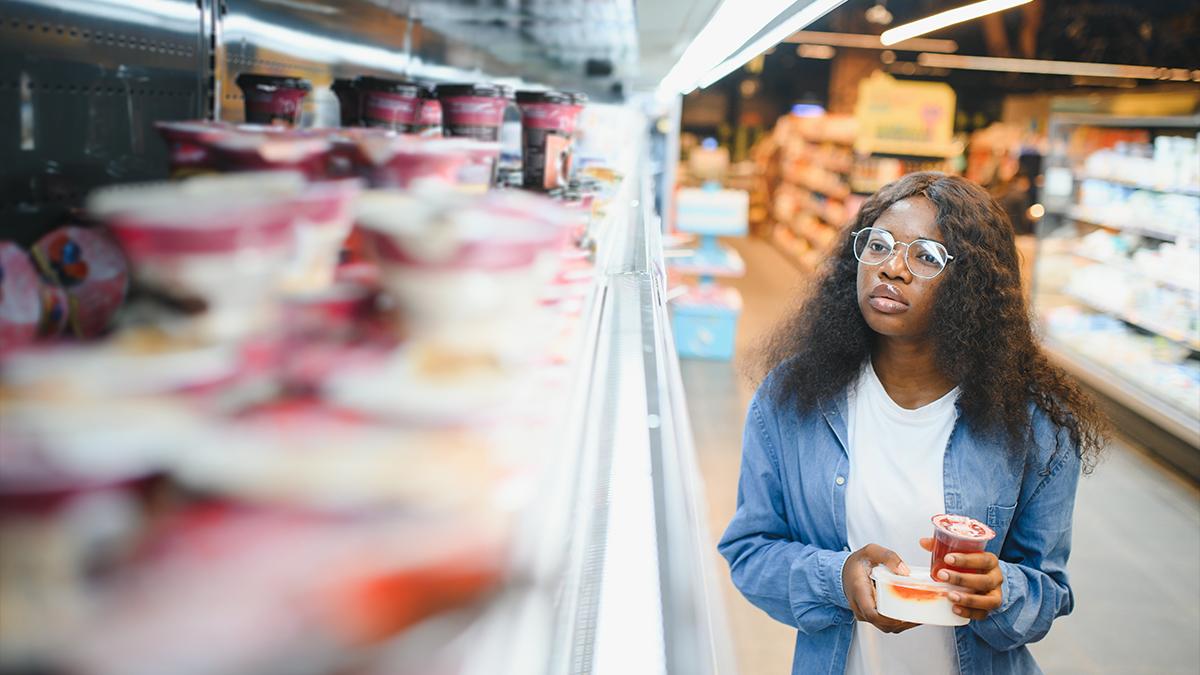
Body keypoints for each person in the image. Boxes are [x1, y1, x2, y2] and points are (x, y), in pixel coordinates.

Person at [718, 172, 1106, 675]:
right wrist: (837, 578)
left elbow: (1048, 591)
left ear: (973, 284)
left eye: (925, 256)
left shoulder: (1035, 425)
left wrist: (1001, 590)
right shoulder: (794, 398)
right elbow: (750, 552)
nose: (891, 269)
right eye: (878, 245)